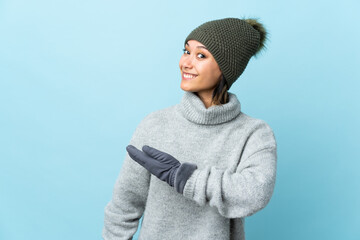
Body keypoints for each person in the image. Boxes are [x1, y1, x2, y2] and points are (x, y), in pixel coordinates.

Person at [102, 17, 277, 240]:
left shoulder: (253, 133)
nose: (185, 62)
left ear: (226, 68)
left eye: (201, 55)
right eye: (186, 51)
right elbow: (123, 207)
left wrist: (184, 178)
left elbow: (255, 193)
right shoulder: (155, 124)